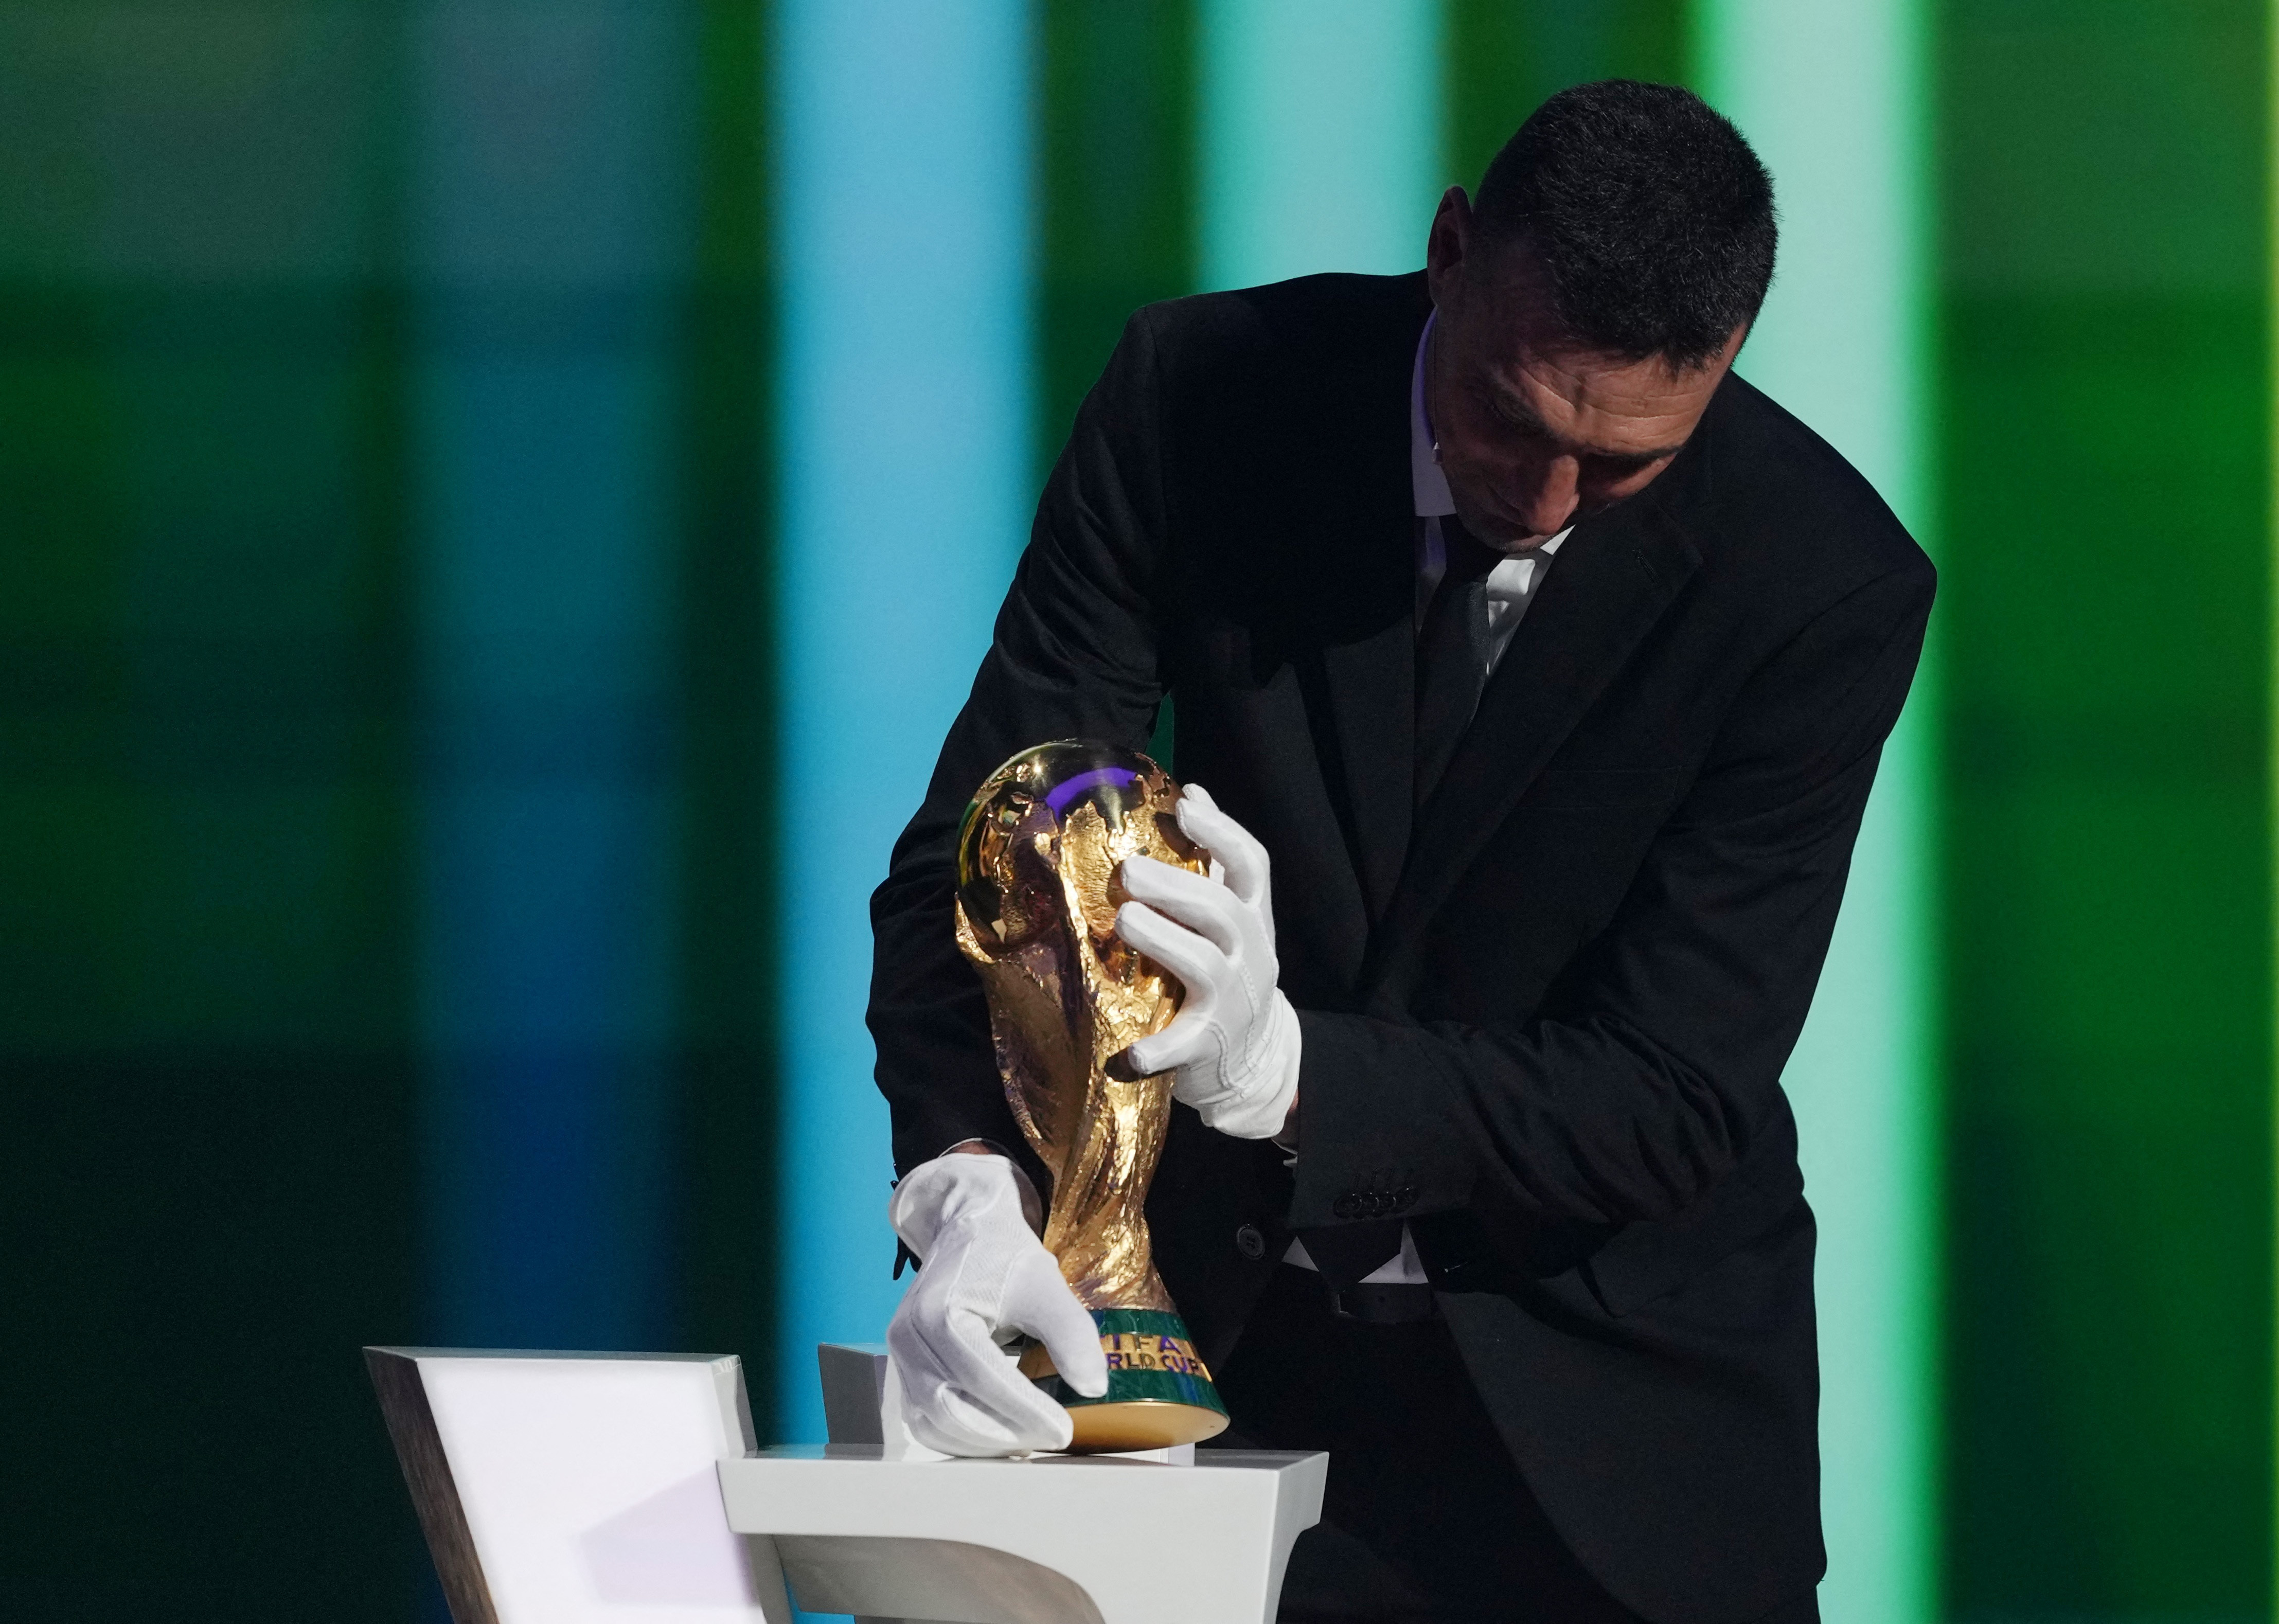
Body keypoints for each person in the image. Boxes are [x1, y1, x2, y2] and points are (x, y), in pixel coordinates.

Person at [867, 80, 1933, 1624]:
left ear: (1727, 369)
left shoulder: (1823, 583)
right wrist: (962, 1182)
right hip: (1191, 1364)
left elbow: (1674, 1098)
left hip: (1611, 1434)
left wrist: (1284, 1070)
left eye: (1624, 469)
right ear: (1447, 250)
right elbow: (987, 839)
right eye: (1510, 421)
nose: (1549, 502)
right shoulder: (1200, 394)